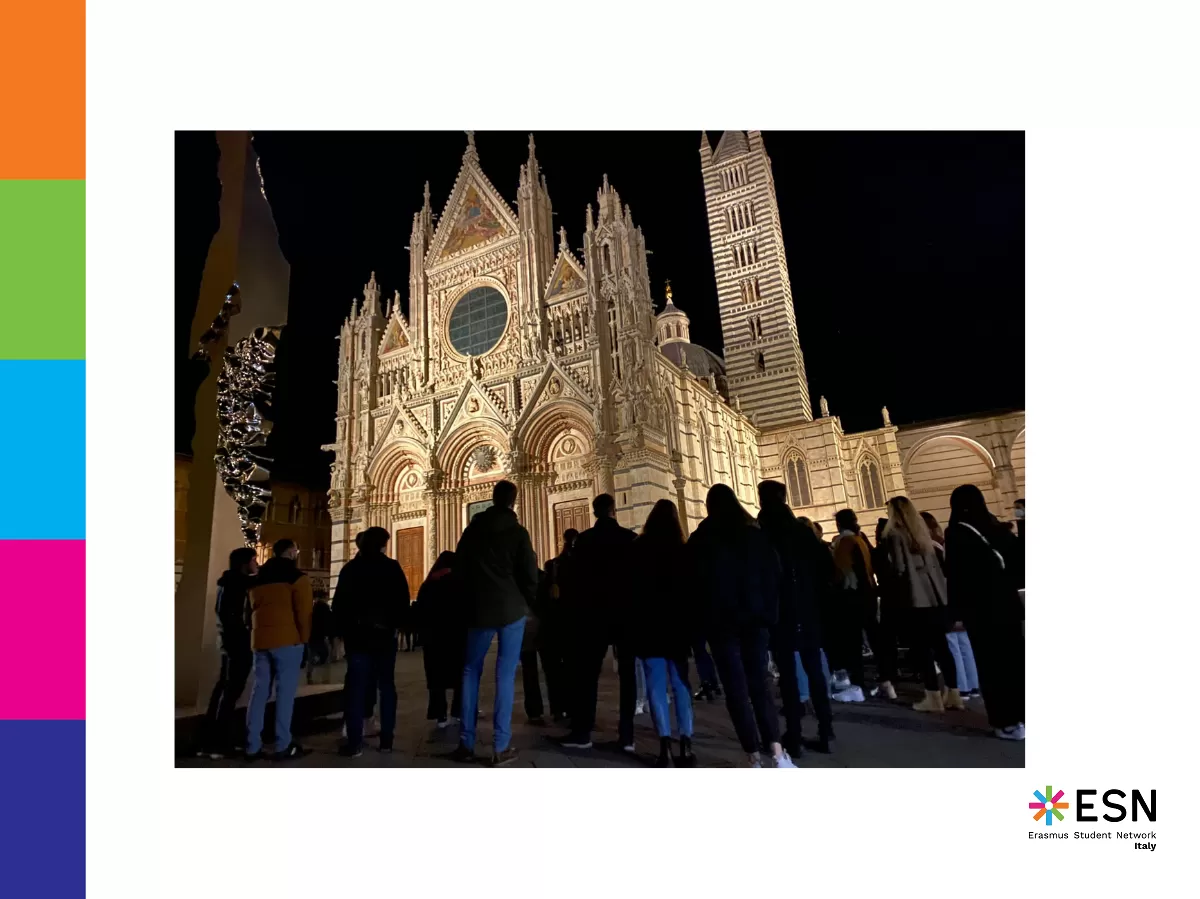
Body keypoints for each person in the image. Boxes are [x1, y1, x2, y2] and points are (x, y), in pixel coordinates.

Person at [689, 484, 795, 768]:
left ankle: (752, 757)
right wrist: (769, 615)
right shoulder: (754, 534)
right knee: (759, 684)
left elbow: (691, 585)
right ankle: (777, 752)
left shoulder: (700, 539)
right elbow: (774, 575)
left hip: (721, 625)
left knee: (736, 690)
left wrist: (701, 622)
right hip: (754, 622)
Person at [449, 480, 539, 766]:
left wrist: (468, 600)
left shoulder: (472, 531)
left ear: (492, 498)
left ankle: (466, 742)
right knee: (505, 674)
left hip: (478, 611)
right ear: (513, 502)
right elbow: (529, 574)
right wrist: (528, 602)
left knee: (469, 672)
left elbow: (459, 569)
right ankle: (500, 746)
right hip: (511, 611)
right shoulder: (518, 533)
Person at [757, 481, 835, 755]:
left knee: (788, 676)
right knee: (815, 671)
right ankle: (826, 729)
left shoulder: (764, 530)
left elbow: (762, 575)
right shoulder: (803, 531)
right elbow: (827, 569)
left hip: (781, 613)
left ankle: (794, 733)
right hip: (809, 610)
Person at [557, 493, 637, 751]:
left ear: (594, 512)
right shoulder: (629, 538)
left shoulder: (585, 541)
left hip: (592, 615)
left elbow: (573, 578)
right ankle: (627, 737)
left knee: (587, 675)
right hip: (625, 614)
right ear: (613, 510)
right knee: (628, 675)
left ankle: (583, 732)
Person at [946, 484, 1025, 740]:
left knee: (992, 667)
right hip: (1008, 607)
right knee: (1016, 662)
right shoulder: (996, 528)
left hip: (980, 611)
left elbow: (956, 575)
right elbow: (1021, 566)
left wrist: (955, 612)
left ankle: (1007, 721)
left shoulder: (957, 531)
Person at [629, 499, 698, 767]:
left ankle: (664, 748)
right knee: (681, 686)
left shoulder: (637, 550)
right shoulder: (683, 550)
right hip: (676, 628)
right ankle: (687, 745)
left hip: (648, 627)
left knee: (656, 688)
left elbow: (631, 591)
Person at [332, 526, 408, 757]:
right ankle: (386, 740)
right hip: (384, 637)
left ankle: (354, 742)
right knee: (386, 686)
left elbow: (338, 606)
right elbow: (402, 603)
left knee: (355, 688)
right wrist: (395, 626)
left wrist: (346, 631)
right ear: (383, 544)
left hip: (358, 639)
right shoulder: (392, 568)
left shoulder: (350, 569)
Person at [881, 497, 962, 712]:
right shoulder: (922, 532)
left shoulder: (894, 534)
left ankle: (933, 697)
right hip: (935, 598)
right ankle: (954, 695)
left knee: (923, 649)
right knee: (942, 648)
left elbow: (898, 568)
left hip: (915, 599)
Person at [245, 539, 313, 761]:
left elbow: (250, 612)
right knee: (285, 694)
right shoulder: (297, 578)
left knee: (259, 692)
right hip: (287, 641)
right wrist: (303, 640)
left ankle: (252, 745)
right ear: (292, 552)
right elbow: (303, 613)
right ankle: (282, 744)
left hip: (260, 641)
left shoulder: (256, 579)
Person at [197, 547, 258, 758]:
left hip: (227, 642)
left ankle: (209, 740)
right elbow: (239, 617)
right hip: (238, 643)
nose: (256, 564)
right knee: (231, 692)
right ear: (245, 563)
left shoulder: (226, 582)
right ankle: (221, 742)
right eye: (254, 560)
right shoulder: (240, 585)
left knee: (223, 689)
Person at [923, 512, 981, 700]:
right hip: (960, 598)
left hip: (946, 600)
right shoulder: (943, 542)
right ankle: (973, 684)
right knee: (964, 643)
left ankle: (962, 687)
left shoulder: (931, 548)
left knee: (952, 645)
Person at [827, 509, 876, 702]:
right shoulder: (860, 540)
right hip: (867, 595)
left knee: (852, 644)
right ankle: (862, 682)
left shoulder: (844, 542)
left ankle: (857, 685)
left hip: (851, 598)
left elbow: (841, 573)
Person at [417, 551, 465, 728]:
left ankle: (440, 715)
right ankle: (459, 711)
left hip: (433, 639)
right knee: (460, 676)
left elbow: (419, 611)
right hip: (456, 638)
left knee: (436, 679)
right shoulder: (460, 582)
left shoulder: (428, 585)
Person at [537, 529, 578, 724]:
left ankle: (557, 709)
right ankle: (575, 708)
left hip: (552, 626)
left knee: (553, 672)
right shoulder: (583, 567)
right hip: (575, 626)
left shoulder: (551, 565)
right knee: (575, 669)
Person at [306, 594, 334, 684]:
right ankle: (324, 677)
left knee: (313, 655)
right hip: (322, 636)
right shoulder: (326, 609)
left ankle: (310, 673)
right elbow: (329, 623)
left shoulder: (313, 609)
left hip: (312, 636)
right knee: (325, 656)